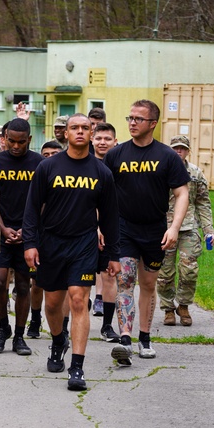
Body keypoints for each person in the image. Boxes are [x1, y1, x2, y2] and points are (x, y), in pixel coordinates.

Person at [23, 114, 120, 391]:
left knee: (79, 300)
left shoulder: (102, 172)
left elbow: (111, 217)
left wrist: (113, 253)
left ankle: (77, 368)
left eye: (84, 128)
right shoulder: (48, 167)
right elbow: (31, 209)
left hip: (84, 243)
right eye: (74, 128)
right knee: (53, 304)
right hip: (50, 243)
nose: (80, 132)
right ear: (66, 133)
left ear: (92, 132)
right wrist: (30, 243)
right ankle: (57, 341)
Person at [103, 100, 190, 365]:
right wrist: (100, 226)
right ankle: (125, 339)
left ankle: (144, 338)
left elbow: (182, 192)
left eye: (138, 119)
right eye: (129, 118)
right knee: (125, 281)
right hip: (123, 229)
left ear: (153, 124)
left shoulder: (167, 156)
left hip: (154, 230)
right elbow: (102, 193)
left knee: (149, 285)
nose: (132, 123)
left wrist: (174, 227)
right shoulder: (116, 155)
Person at [0, 118, 43, 356]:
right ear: (4, 138)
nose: (16, 146)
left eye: (21, 142)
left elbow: (44, 202)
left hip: (28, 235)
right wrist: (2, 228)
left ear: (29, 140)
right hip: (0, 232)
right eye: (11, 141)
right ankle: (3, 328)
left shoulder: (40, 164)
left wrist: (26, 232)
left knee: (22, 285)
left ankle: (19, 336)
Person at [156, 135, 214, 327]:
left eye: (182, 148)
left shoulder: (196, 174)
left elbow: (203, 203)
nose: (178, 152)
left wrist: (208, 230)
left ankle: (183, 305)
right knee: (165, 272)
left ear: (188, 151)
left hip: (188, 227)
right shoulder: (161, 170)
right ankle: (167, 309)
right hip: (164, 227)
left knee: (189, 270)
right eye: (174, 148)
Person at [25, 139, 65, 338]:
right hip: (40, 235)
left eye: (55, 154)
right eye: (46, 154)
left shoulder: (68, 174)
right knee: (37, 282)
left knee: (63, 286)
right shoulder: (40, 174)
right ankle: (35, 319)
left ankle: (63, 326)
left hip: (62, 236)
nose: (50, 157)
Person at [91, 122, 120, 341]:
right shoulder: (85, 164)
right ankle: (65, 328)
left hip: (112, 229)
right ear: (92, 140)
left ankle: (107, 326)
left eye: (107, 139)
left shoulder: (119, 167)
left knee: (109, 275)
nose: (102, 143)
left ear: (115, 142)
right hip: (85, 229)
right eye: (99, 138)